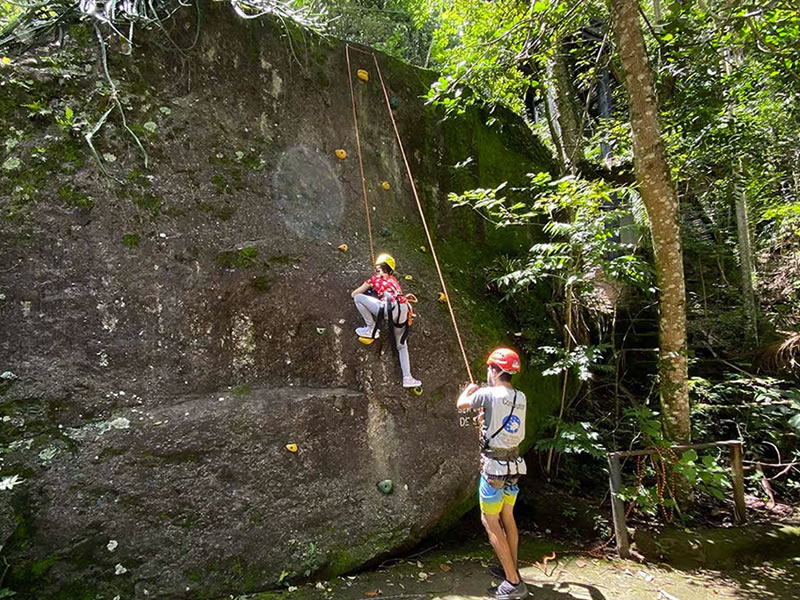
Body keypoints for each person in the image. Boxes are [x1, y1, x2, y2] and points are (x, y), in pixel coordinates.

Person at [456, 347, 528, 600]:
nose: (488, 372)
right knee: (507, 516)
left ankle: (513, 581)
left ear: (496, 370)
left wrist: (469, 390)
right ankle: (512, 567)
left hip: (494, 469)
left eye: (489, 368)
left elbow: (460, 404)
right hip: (515, 466)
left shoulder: (487, 393)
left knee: (491, 522)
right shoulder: (520, 397)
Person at [351, 253, 422, 389]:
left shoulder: (374, 279)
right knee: (402, 345)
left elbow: (354, 294)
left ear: (378, 267)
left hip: (388, 308)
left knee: (358, 298)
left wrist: (370, 288)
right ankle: (407, 377)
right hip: (402, 309)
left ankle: (371, 328)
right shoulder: (394, 280)